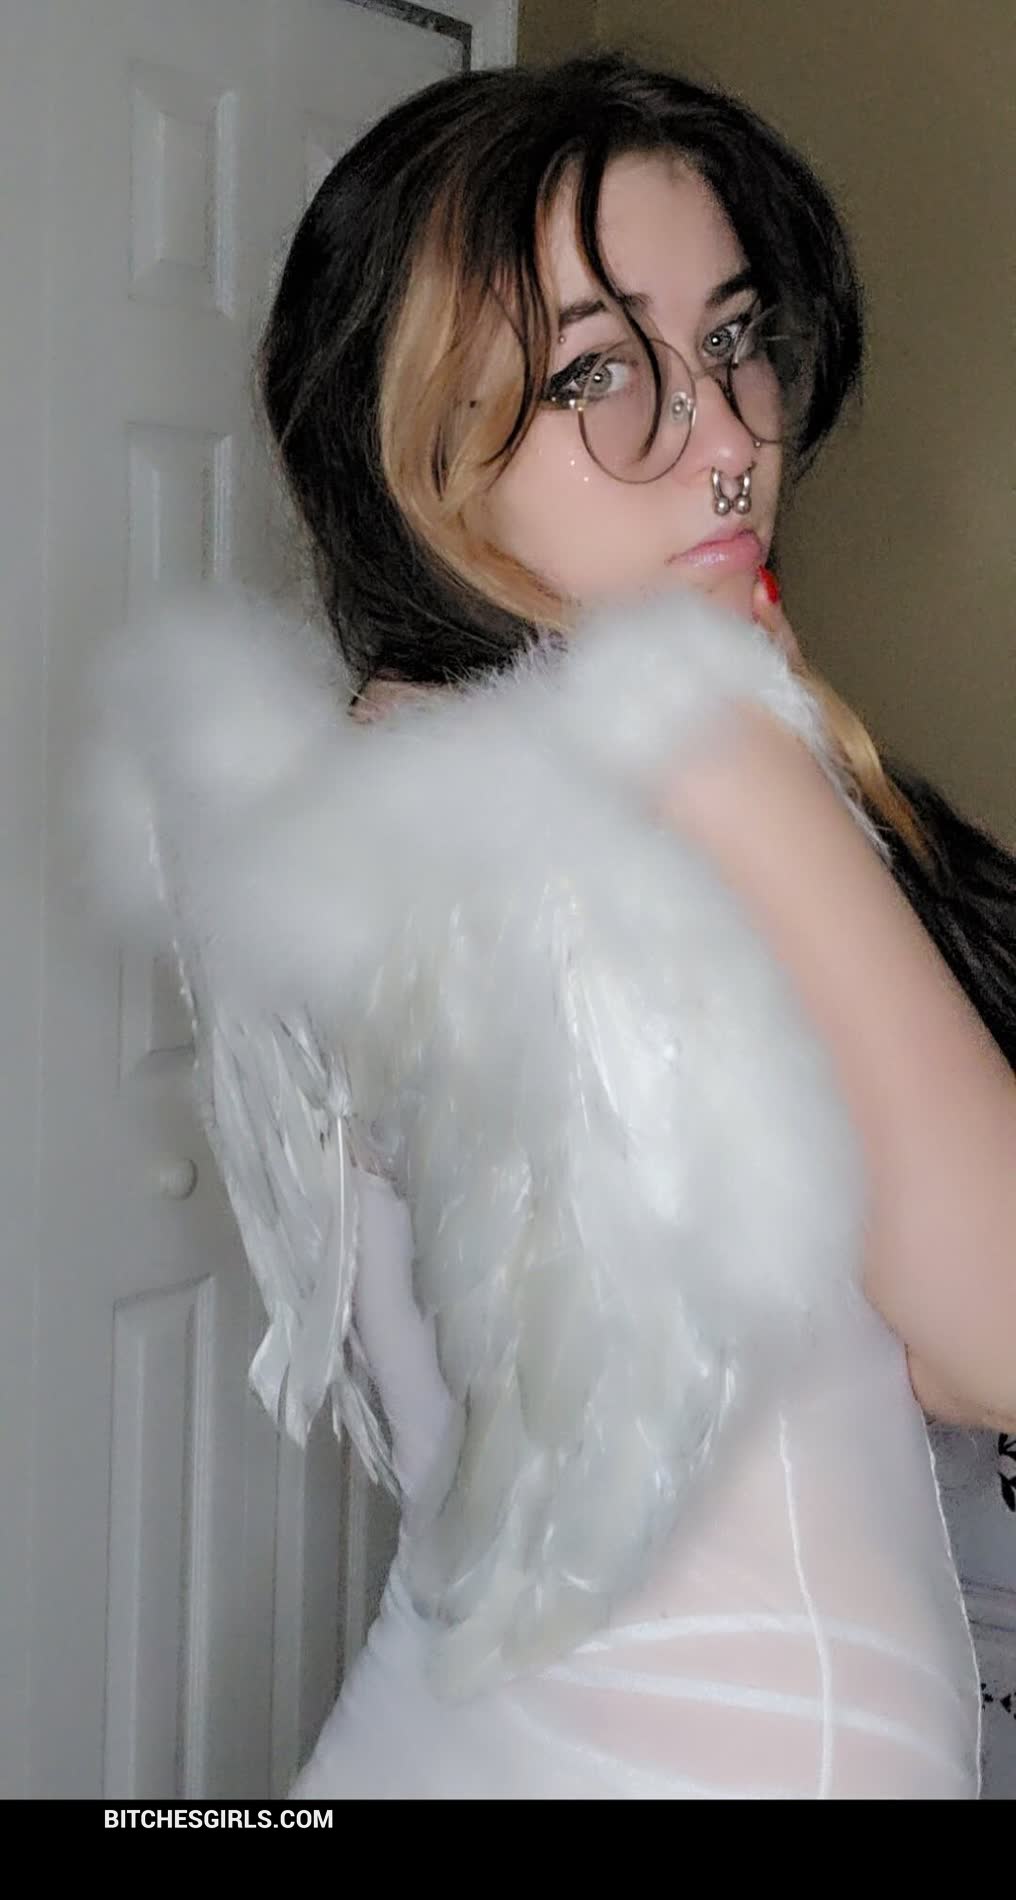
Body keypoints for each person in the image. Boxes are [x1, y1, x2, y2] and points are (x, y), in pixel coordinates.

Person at [86, 53, 1016, 1799]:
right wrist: (755, 749)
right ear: (411, 446)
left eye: (734, 340)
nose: (728, 442)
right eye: (599, 371)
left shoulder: (370, 776)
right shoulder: (695, 754)